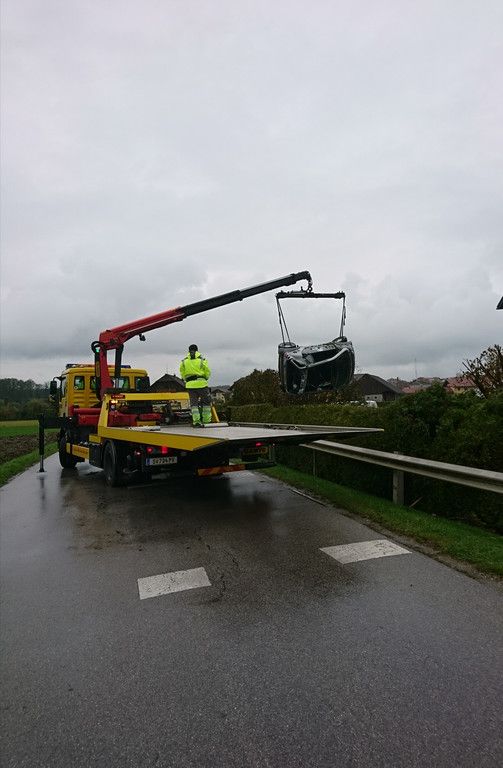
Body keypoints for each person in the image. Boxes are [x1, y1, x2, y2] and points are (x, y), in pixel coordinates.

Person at [179, 344, 212, 427]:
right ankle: (206, 421)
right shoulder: (202, 360)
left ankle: (196, 421)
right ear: (197, 350)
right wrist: (205, 378)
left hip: (190, 385)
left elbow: (182, 373)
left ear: (189, 351)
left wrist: (187, 380)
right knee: (206, 403)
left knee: (194, 404)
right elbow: (207, 371)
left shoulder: (184, 361)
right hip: (202, 384)